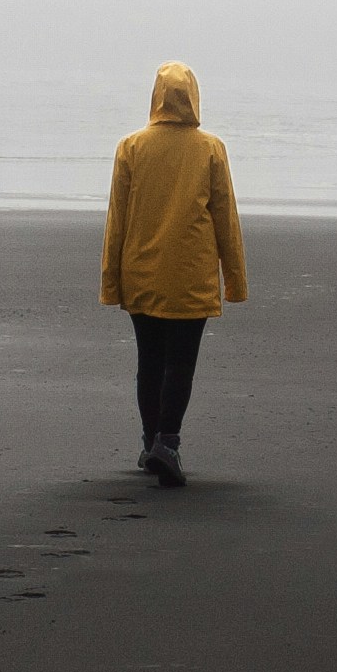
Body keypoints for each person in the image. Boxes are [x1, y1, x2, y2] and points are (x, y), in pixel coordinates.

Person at [99, 60, 247, 488]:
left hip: (141, 271)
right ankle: (168, 441)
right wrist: (234, 280)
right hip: (190, 274)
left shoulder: (131, 146)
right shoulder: (211, 149)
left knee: (149, 361)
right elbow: (225, 218)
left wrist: (111, 282)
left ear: (156, 96)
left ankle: (151, 442)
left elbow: (117, 221)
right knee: (180, 363)